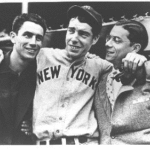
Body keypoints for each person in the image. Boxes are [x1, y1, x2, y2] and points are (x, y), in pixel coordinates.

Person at [31, 5, 146, 145]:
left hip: (83, 143)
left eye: (83, 34)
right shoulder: (42, 56)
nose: (74, 38)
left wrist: (143, 63)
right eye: (71, 31)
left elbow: (125, 72)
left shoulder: (102, 67)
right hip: (42, 144)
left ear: (95, 39)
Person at [94, 19, 150, 144]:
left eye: (116, 40)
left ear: (135, 48)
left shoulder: (147, 73)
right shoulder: (101, 75)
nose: (107, 44)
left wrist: (145, 66)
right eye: (108, 38)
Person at [0, 13, 47, 144]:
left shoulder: (40, 74)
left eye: (38, 38)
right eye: (27, 35)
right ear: (13, 37)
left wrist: (38, 123)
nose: (33, 43)